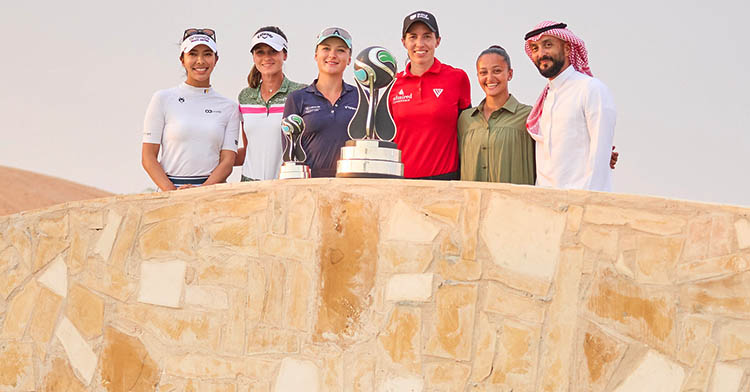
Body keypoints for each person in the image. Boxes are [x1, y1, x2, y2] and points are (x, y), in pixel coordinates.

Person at [141, 29, 239, 191]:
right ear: (182, 59)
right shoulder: (162, 99)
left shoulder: (229, 107)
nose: (200, 61)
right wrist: (173, 193)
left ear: (216, 59)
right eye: (193, 54)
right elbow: (148, 157)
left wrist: (200, 192)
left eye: (207, 54)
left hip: (212, 195)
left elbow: (227, 162)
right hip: (170, 193)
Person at [524, 21, 616, 191]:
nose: (541, 53)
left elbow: (600, 156)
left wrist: (588, 203)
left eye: (548, 45)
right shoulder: (545, 98)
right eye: (535, 48)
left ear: (567, 49)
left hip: (582, 204)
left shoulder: (591, 89)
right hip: (546, 203)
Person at [389, 10, 471, 180]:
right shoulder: (392, 85)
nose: (420, 43)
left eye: (427, 36)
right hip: (401, 182)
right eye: (413, 37)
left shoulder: (457, 78)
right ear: (404, 42)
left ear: (437, 41)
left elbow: (468, 132)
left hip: (445, 180)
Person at [282, 27, 357, 177]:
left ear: (349, 59)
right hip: (309, 188)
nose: (332, 55)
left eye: (340, 50)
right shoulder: (297, 99)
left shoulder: (361, 97)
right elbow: (289, 151)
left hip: (351, 184)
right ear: (316, 55)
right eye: (326, 49)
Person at [235, 26, 306, 181]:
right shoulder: (245, 97)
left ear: (285, 55)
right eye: (260, 52)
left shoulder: (301, 93)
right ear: (253, 57)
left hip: (287, 184)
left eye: (273, 51)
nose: (266, 57)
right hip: (249, 186)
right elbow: (249, 149)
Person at [458, 46, 535, 184]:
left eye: (497, 71)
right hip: (473, 203)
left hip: (515, 204)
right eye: (483, 72)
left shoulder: (528, 116)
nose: (490, 78)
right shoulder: (465, 119)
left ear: (510, 74)